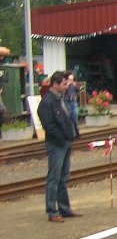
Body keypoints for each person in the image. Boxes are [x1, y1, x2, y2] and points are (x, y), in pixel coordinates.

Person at [37, 69, 81, 222]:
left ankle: (64, 208)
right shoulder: (47, 102)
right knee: (54, 178)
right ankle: (52, 211)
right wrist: (62, 138)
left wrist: (72, 134)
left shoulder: (61, 98)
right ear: (55, 84)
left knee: (63, 177)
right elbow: (48, 125)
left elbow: (68, 118)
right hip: (56, 144)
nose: (66, 86)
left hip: (66, 141)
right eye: (64, 84)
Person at [64, 72, 81, 137]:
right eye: (69, 79)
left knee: (75, 117)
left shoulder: (74, 85)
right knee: (69, 118)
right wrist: (67, 85)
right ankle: (71, 133)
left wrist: (75, 85)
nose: (71, 81)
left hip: (73, 102)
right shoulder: (66, 85)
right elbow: (63, 91)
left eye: (72, 79)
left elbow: (79, 90)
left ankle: (77, 133)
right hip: (67, 102)